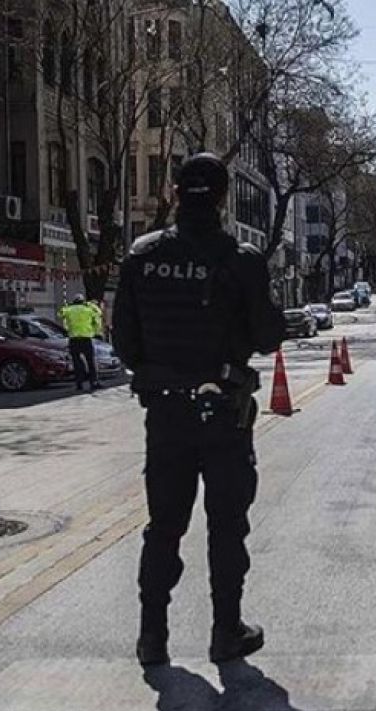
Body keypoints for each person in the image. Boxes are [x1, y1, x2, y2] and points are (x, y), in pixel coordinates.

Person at [112, 152, 284, 667]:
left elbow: (123, 344)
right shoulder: (241, 258)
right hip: (223, 413)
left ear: (174, 193)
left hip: (166, 417)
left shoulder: (142, 256)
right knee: (226, 526)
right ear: (224, 196)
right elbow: (269, 336)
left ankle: (152, 638)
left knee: (164, 526)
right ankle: (225, 632)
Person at [59, 293, 101, 391]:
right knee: (91, 362)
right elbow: (99, 313)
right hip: (86, 339)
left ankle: (79, 384)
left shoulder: (69, 309)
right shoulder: (89, 309)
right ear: (83, 301)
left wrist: (67, 305)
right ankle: (93, 382)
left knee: (77, 363)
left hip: (74, 339)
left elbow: (60, 314)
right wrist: (91, 304)